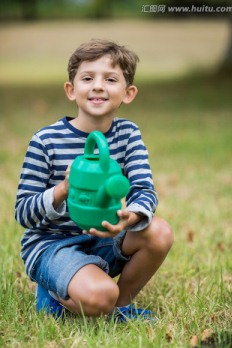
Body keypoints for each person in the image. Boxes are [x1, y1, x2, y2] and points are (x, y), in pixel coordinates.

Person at [15, 39, 173, 322]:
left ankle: (120, 307)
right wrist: (62, 190)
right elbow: (23, 213)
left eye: (111, 79)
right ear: (71, 90)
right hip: (53, 244)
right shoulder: (46, 141)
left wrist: (129, 218)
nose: (98, 86)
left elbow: (143, 190)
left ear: (128, 93)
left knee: (159, 232)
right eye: (87, 78)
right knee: (100, 296)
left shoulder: (128, 135)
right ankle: (54, 290)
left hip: (105, 236)